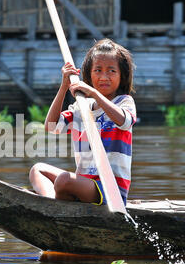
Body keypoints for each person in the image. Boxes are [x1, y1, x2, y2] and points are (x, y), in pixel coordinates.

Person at [29, 38, 136, 206]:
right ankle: (52, 206)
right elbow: (51, 126)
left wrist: (94, 94)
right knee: (38, 170)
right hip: (83, 183)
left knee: (63, 180)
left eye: (111, 71)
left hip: (109, 189)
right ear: (89, 74)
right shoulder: (81, 106)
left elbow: (124, 121)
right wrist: (64, 86)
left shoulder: (124, 102)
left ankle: (56, 205)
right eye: (98, 70)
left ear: (122, 76)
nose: (104, 77)